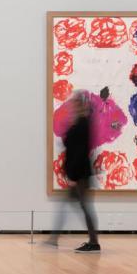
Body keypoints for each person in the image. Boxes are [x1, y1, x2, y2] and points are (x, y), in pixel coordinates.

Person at [47, 90, 101, 253]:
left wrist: (73, 176)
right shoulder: (79, 122)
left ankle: (93, 243)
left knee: (84, 207)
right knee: (72, 206)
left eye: (76, 104)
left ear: (82, 105)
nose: (72, 107)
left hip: (80, 175)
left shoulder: (83, 123)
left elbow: (80, 151)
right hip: (78, 173)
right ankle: (54, 239)